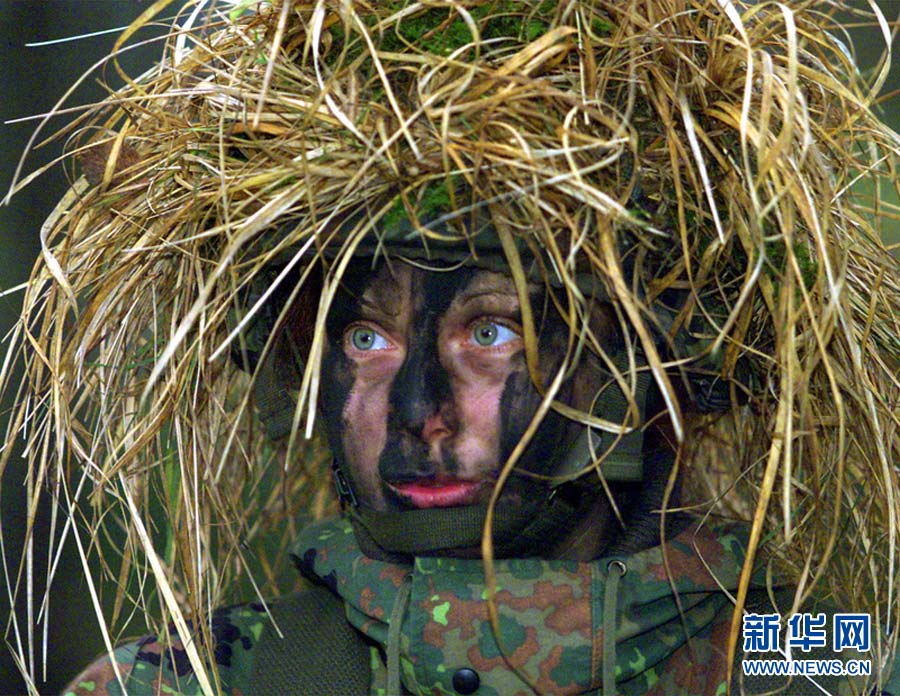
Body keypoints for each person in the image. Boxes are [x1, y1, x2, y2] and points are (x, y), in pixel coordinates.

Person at [3, 0, 900, 694]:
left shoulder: (829, 671)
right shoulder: (183, 682)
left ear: (645, 369)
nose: (419, 414)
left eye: (491, 332)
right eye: (366, 339)